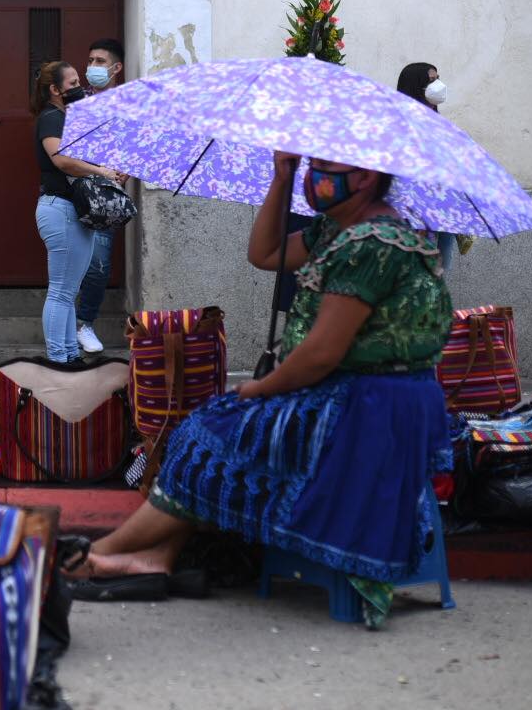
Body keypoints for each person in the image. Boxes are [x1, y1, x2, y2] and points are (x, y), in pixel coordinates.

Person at [62, 150, 453, 629]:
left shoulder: (372, 243)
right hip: (343, 394)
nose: (316, 179)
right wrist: (281, 175)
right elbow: (265, 255)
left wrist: (261, 388)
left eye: (323, 169)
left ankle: (106, 552)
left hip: (363, 405)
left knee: (210, 429)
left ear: (367, 176)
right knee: (205, 425)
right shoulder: (337, 231)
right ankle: (151, 556)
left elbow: (321, 353)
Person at [33, 61, 123, 364]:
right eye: (71, 85)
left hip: (72, 210)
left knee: (68, 290)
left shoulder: (68, 117)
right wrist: (101, 171)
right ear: (54, 90)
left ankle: (70, 355)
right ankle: (58, 358)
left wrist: (109, 172)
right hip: (60, 210)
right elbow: (62, 161)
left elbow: (82, 161)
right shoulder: (50, 117)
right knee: (60, 291)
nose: (79, 89)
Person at [75, 37, 126, 354]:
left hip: (106, 196)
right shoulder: (77, 104)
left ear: (116, 67)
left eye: (99, 62)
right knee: (70, 262)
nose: (92, 67)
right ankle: (64, 326)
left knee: (98, 264)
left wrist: (125, 171)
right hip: (74, 190)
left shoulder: (127, 105)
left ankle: (84, 323)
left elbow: (138, 146)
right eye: (90, 60)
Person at [396, 61, 459, 273]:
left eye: (438, 79)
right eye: (432, 81)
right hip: (415, 217)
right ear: (416, 87)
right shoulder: (403, 126)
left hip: (443, 215)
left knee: (438, 275)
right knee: (417, 274)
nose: (438, 85)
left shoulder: (437, 122)